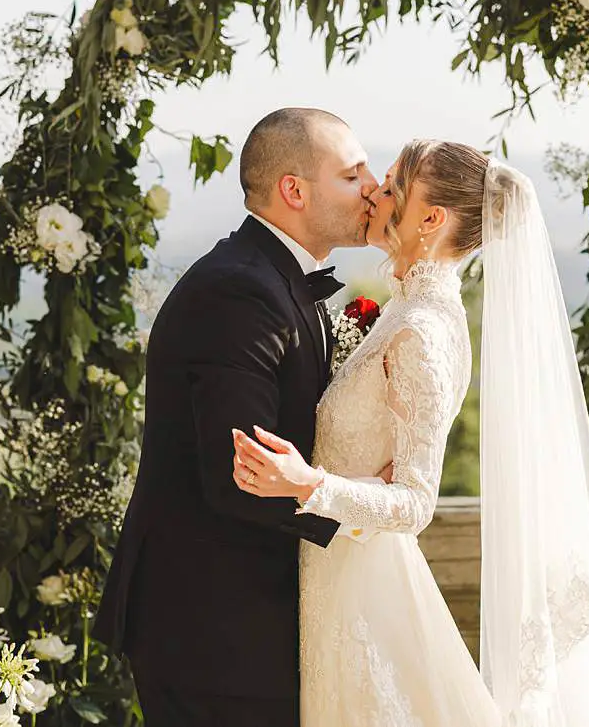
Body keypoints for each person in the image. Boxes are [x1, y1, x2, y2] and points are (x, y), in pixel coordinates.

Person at [233, 140, 589, 726]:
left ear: (430, 218)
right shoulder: (402, 311)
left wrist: (309, 483)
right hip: (335, 579)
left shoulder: (422, 331)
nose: (374, 192)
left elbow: (417, 502)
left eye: (392, 185)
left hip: (365, 597)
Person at [94, 107, 382, 727]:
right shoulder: (240, 292)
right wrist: (360, 507)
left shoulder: (271, 279)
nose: (374, 188)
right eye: (354, 174)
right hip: (212, 627)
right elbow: (241, 476)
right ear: (295, 190)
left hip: (242, 622)